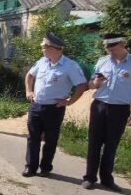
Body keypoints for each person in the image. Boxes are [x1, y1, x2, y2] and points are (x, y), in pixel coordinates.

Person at [81, 33, 131, 191]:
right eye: (106, 47)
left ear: (121, 44)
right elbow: (91, 84)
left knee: (111, 145)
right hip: (99, 106)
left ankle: (106, 179)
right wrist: (95, 83)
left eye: (112, 46)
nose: (108, 50)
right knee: (94, 143)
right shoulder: (102, 61)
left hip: (120, 109)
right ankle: (90, 177)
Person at [23, 32, 88, 177]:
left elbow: (81, 85)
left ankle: (45, 167)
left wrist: (70, 101)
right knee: (32, 138)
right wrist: (28, 90)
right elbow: (29, 75)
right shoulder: (42, 62)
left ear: (52, 48)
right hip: (36, 105)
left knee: (51, 139)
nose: (41, 49)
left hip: (54, 108)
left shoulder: (70, 66)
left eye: (43, 46)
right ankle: (30, 167)